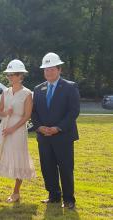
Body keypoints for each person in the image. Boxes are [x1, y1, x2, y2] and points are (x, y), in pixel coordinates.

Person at [31, 52, 80, 209]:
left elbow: (73, 112)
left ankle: (69, 199)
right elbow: (34, 112)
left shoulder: (70, 87)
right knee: (47, 167)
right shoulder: (38, 89)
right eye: (46, 69)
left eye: (52, 69)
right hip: (44, 136)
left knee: (65, 168)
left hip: (63, 136)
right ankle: (53, 196)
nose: (49, 72)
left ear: (59, 70)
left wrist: (57, 128)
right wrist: (39, 127)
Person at [0, 60, 36, 202]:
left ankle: (16, 192)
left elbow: (27, 116)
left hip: (17, 129)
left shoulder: (27, 94)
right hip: (3, 127)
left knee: (18, 159)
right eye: (8, 75)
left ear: (20, 76)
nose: (9, 77)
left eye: (12, 74)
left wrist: (12, 129)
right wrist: (6, 112)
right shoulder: (5, 92)